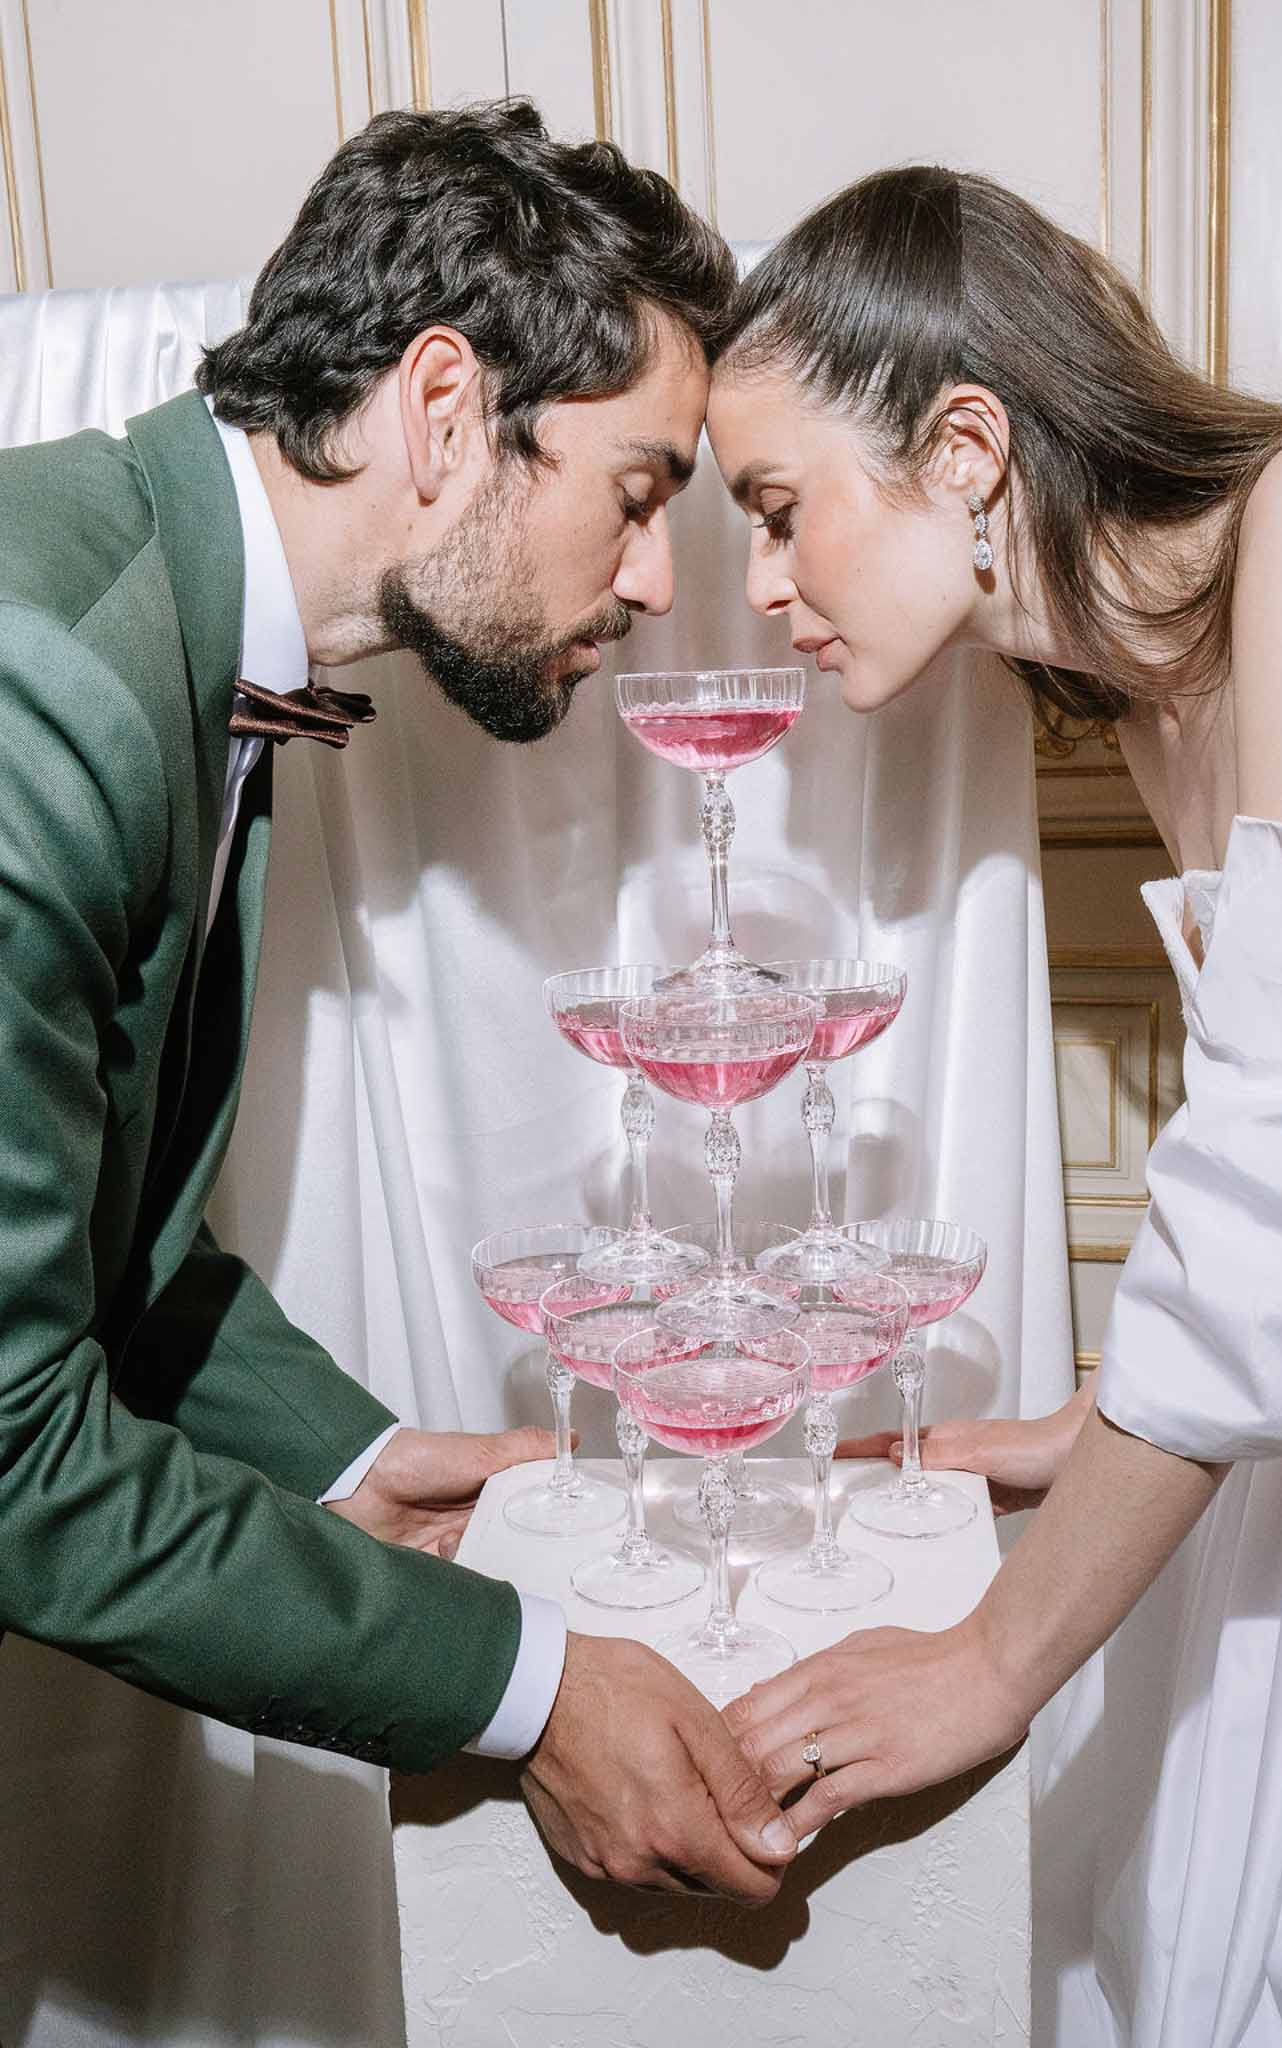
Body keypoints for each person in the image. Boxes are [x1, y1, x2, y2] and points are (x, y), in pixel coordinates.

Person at [0, 98, 797, 1905]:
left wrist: (350, 1455)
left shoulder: (185, 634)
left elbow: (84, 1248)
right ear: (445, 412)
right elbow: (8, 1444)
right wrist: (521, 1690)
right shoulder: (38, 684)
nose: (659, 577)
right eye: (640, 492)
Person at [704, 163, 1282, 2038]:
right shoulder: (1151, 697)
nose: (760, 585)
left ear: (967, 446)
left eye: (777, 509)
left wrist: (991, 1659)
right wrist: (1089, 1421)